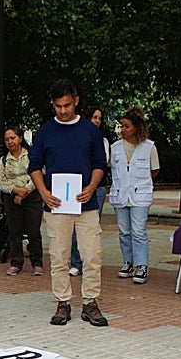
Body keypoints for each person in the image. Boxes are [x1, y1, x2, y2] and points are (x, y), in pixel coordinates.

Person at [28, 78, 108, 327]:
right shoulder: (45, 131)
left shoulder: (90, 131)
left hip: (87, 204)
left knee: (91, 254)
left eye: (67, 105)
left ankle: (90, 302)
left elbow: (99, 165)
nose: (63, 111)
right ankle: (63, 301)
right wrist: (43, 192)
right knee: (59, 255)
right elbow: (34, 166)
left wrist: (91, 187)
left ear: (76, 102)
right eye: (58, 106)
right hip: (56, 204)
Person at [109, 105, 159, 284]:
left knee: (138, 231)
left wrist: (140, 182)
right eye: (122, 126)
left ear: (136, 127)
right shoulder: (115, 147)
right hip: (120, 194)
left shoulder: (149, 147)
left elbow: (154, 170)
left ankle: (142, 265)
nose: (123, 130)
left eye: (127, 126)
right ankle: (128, 262)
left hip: (140, 195)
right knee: (124, 231)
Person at [0, 126, 43, 276]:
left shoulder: (31, 155)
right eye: (7, 139)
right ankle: (16, 262)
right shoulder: (3, 160)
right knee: (14, 231)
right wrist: (16, 191)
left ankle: (37, 262)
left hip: (32, 196)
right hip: (12, 199)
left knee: (33, 231)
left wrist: (25, 192)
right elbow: (2, 182)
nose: (10, 142)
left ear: (20, 138)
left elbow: (38, 174)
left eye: (13, 138)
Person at [68, 106, 110, 275]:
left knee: (91, 228)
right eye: (94, 117)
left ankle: (89, 262)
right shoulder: (75, 136)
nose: (97, 121)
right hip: (75, 186)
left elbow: (102, 162)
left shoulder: (103, 141)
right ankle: (75, 262)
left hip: (96, 189)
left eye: (99, 118)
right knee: (73, 225)